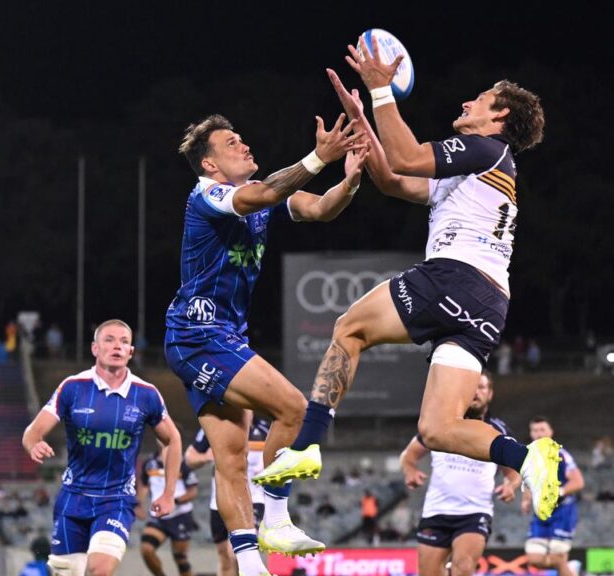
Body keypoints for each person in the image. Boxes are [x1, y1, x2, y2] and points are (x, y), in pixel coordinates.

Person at [255, 39, 562, 523]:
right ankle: (527, 458)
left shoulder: (485, 148)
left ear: (499, 117)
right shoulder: (483, 170)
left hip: (454, 278)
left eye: (480, 99)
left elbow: (407, 157)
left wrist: (381, 92)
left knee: (348, 328)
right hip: (489, 303)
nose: (467, 103)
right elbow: (394, 179)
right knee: (440, 429)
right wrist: (362, 124)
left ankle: (308, 446)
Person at [163, 111, 366, 574]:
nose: (244, 145)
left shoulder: (261, 198)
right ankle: (275, 516)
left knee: (231, 458)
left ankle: (251, 564)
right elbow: (269, 191)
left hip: (220, 337)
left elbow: (319, 208)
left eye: (243, 137)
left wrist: (350, 181)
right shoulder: (208, 195)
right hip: (200, 335)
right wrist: (320, 156)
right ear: (210, 165)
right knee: (294, 408)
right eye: (232, 143)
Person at [22, 319, 182, 576]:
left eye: (124, 341)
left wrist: (168, 491)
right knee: (68, 572)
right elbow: (33, 431)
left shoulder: (146, 394)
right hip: (72, 499)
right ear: (95, 348)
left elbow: (172, 439)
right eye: (109, 340)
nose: (117, 346)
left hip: (116, 500)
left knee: (99, 570)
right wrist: (34, 444)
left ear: (131, 352)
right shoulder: (72, 387)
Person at [400, 373, 520, 576]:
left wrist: (511, 485)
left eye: (481, 387)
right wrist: (410, 470)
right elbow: (408, 455)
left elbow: (514, 471)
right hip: (436, 511)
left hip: (474, 513)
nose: (476, 392)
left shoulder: (498, 432)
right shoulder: (440, 425)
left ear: (489, 394)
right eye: (472, 386)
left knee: (463, 567)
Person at [184, 418, 269, 576]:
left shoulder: (265, 430)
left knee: (237, 553)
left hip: (252, 501)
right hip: (220, 503)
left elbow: (283, 456)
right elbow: (189, 459)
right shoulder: (215, 426)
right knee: (224, 558)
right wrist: (206, 457)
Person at [522, 417, 584, 576]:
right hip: (541, 514)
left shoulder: (560, 454)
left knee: (557, 557)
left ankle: (566, 566)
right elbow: (530, 481)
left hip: (562, 512)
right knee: (534, 558)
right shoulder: (529, 456)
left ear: (550, 432)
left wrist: (558, 493)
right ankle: (570, 568)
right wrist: (527, 500)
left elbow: (578, 481)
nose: (538, 434)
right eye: (535, 430)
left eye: (542, 429)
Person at [139, 441, 199, 576]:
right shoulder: (149, 462)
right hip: (158, 517)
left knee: (180, 559)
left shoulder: (183, 463)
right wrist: (139, 504)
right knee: (146, 549)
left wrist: (173, 501)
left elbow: (193, 491)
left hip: (181, 515)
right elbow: (144, 485)